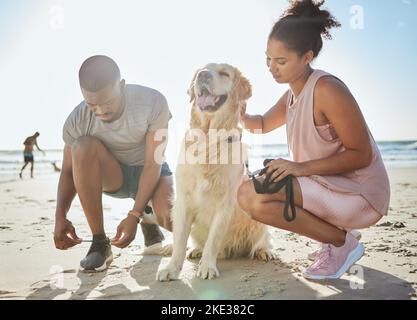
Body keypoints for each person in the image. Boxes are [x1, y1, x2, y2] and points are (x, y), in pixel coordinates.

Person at [237, 0, 390, 280]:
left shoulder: (327, 89)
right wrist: (240, 113)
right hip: (329, 188)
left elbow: (361, 155)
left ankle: (342, 243)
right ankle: (334, 237)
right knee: (252, 196)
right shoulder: (292, 94)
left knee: (251, 195)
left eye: (281, 61)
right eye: (268, 59)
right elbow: (260, 124)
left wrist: (298, 168)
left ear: (307, 57)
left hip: (362, 195)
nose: (272, 67)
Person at [54, 55, 174, 272]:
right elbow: (68, 172)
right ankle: (100, 242)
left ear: (121, 86)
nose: (101, 111)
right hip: (114, 176)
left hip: (151, 172)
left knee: (170, 217)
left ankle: (149, 216)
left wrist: (134, 215)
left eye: (107, 101)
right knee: (81, 146)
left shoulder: (153, 101)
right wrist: (60, 216)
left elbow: (153, 163)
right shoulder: (77, 120)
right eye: (92, 105)